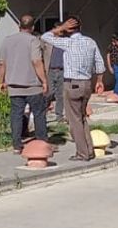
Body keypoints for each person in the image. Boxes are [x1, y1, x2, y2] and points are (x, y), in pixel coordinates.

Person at [41, 14, 106, 161]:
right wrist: (100, 81)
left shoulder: (68, 43)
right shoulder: (91, 42)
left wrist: (60, 28)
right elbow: (99, 64)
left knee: (74, 120)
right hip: (87, 83)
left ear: (68, 29)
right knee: (82, 118)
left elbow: (45, 37)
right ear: (80, 27)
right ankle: (89, 150)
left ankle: (82, 153)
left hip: (72, 83)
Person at [0, 14, 50, 153]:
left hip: (14, 85)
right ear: (32, 27)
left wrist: (1, 81)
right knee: (39, 114)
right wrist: (44, 81)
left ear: (19, 25)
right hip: (33, 85)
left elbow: (2, 63)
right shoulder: (33, 40)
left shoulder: (7, 41)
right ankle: (42, 143)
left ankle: (17, 145)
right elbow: (36, 61)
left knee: (16, 115)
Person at [45, 22, 66, 122]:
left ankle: (59, 116)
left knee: (60, 94)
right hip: (50, 70)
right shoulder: (49, 41)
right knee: (49, 93)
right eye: (59, 29)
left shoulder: (65, 42)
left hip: (62, 70)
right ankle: (43, 113)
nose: (61, 31)